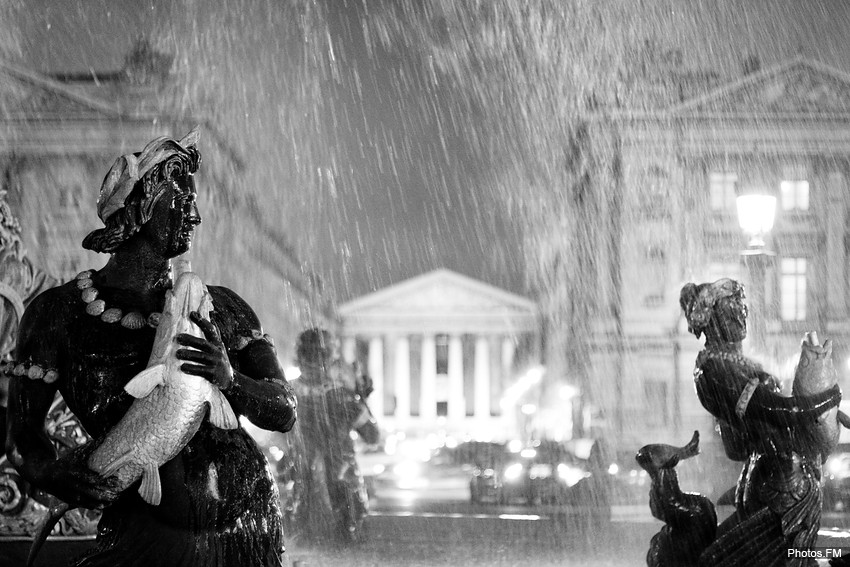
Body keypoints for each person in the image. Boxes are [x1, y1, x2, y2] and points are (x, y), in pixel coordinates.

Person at [4, 129, 298, 566]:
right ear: (141, 207)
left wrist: (231, 381)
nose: (195, 216)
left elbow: (285, 411)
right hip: (141, 534)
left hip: (246, 528)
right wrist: (57, 473)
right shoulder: (58, 315)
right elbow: (23, 440)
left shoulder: (223, 307)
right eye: (182, 201)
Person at [678, 278, 841, 566]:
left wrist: (823, 416)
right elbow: (777, 411)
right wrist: (827, 397)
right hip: (778, 489)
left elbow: (740, 444)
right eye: (732, 309)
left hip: (783, 483)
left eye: (743, 307)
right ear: (712, 318)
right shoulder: (714, 369)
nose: (742, 315)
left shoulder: (738, 364)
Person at [284, 327, 379, 544]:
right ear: (330, 358)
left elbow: (272, 436)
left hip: (300, 504)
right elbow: (373, 436)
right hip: (343, 507)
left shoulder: (286, 393)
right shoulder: (343, 397)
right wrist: (361, 397)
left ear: (299, 356)